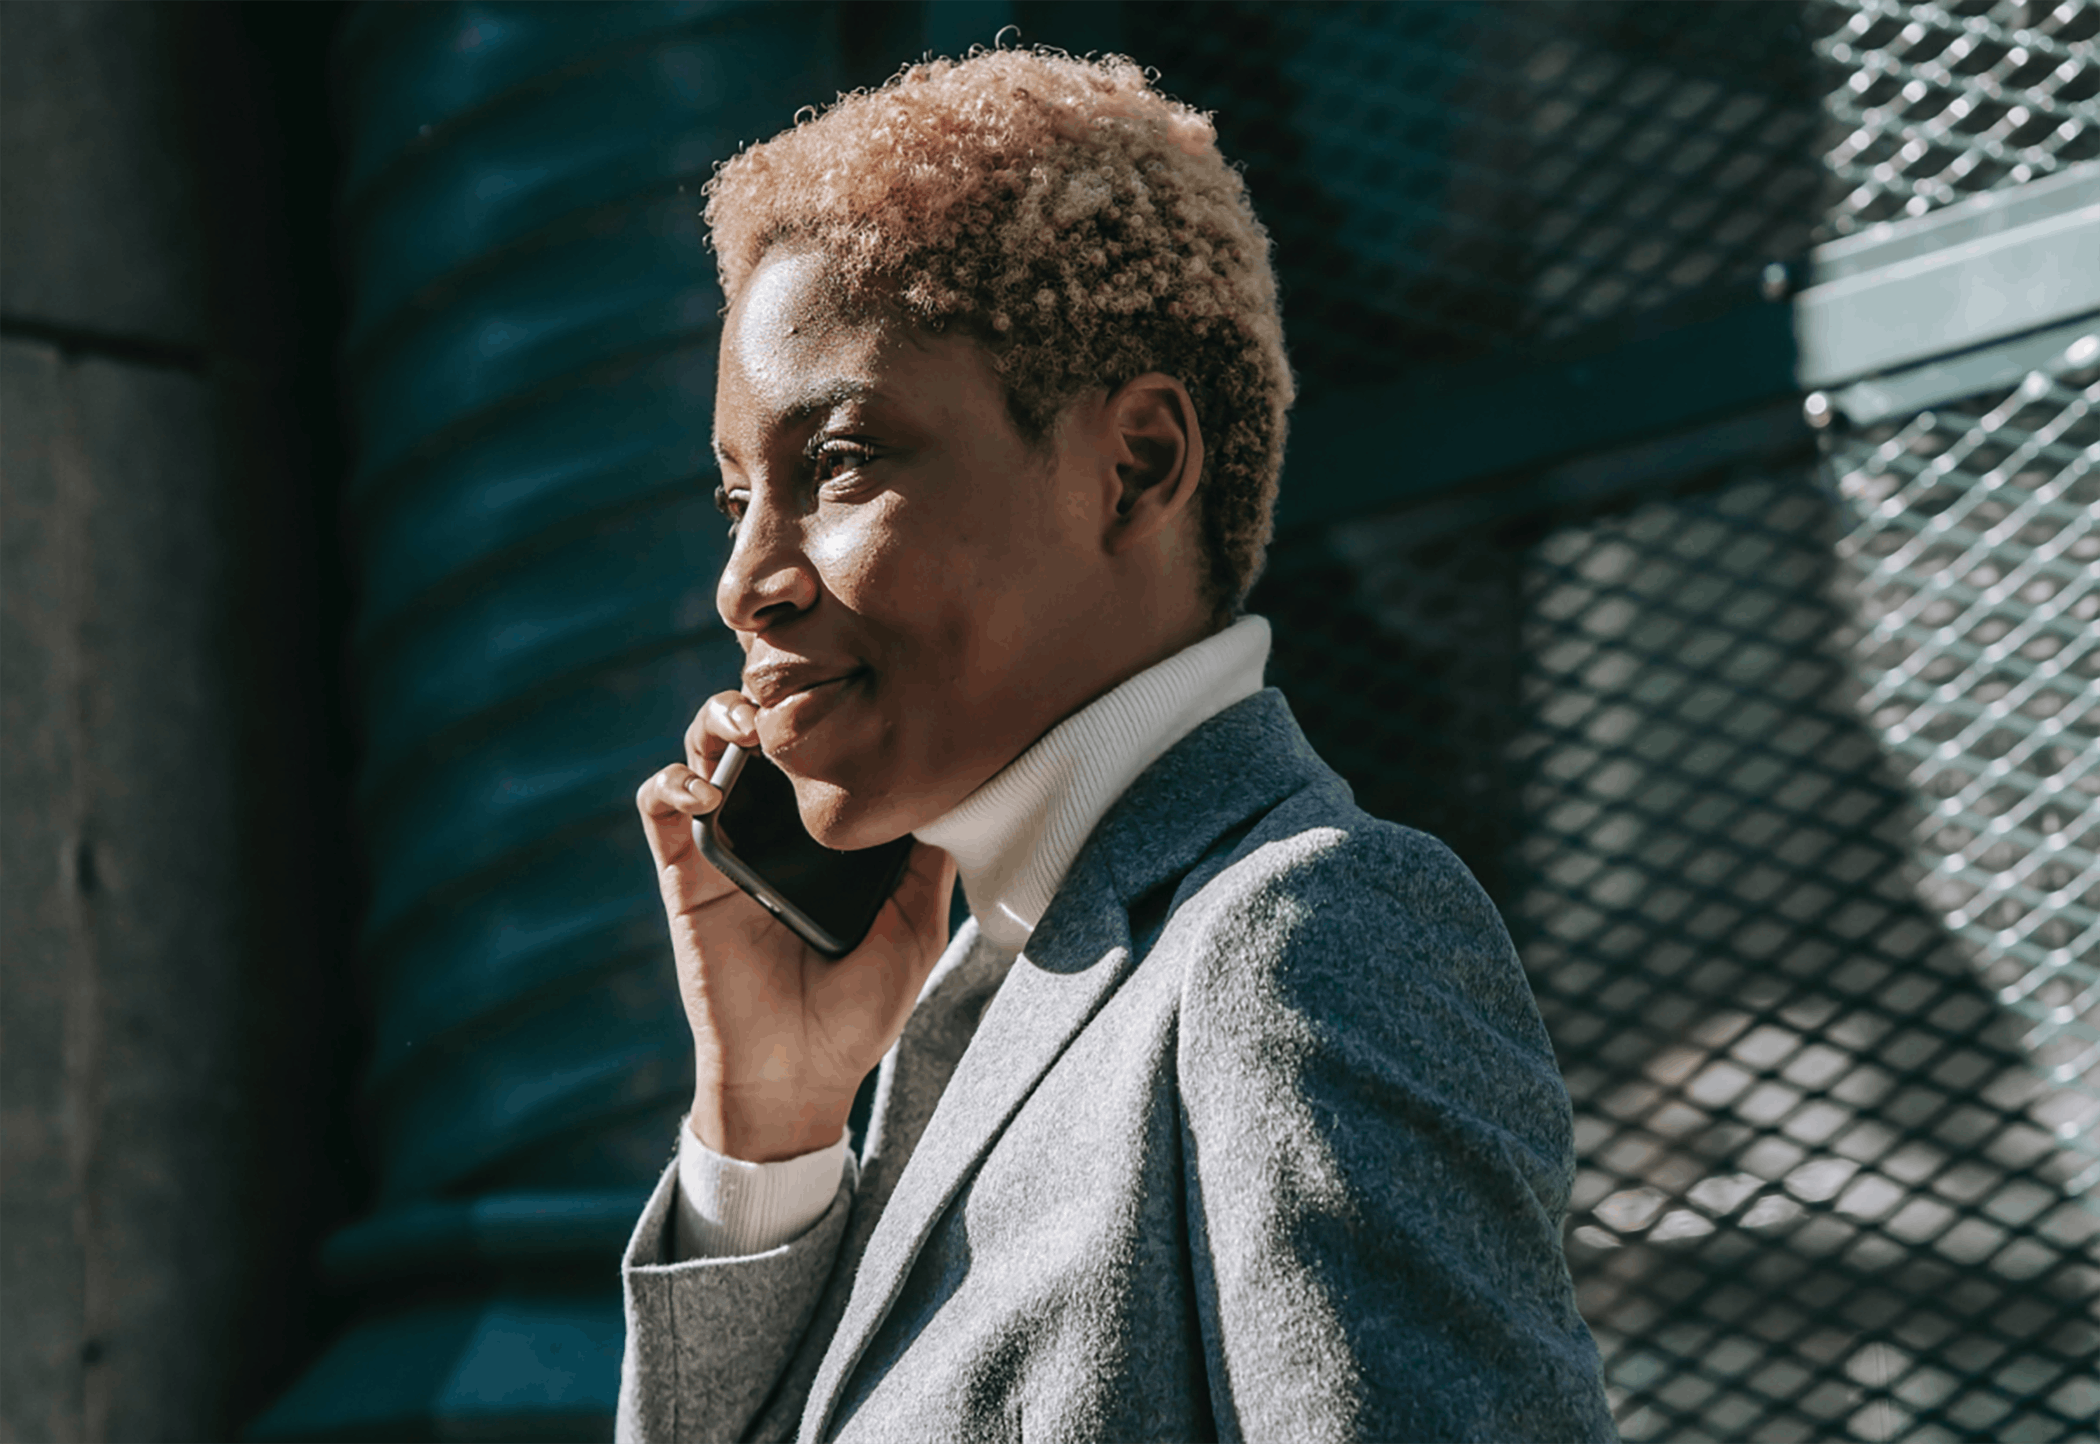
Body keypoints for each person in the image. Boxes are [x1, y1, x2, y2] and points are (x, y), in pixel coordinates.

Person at [624, 47, 1615, 1444]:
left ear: (1137, 464)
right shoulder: (990, 1008)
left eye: (836, 462)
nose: (747, 579)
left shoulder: (1305, 938)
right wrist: (771, 1125)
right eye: (737, 498)